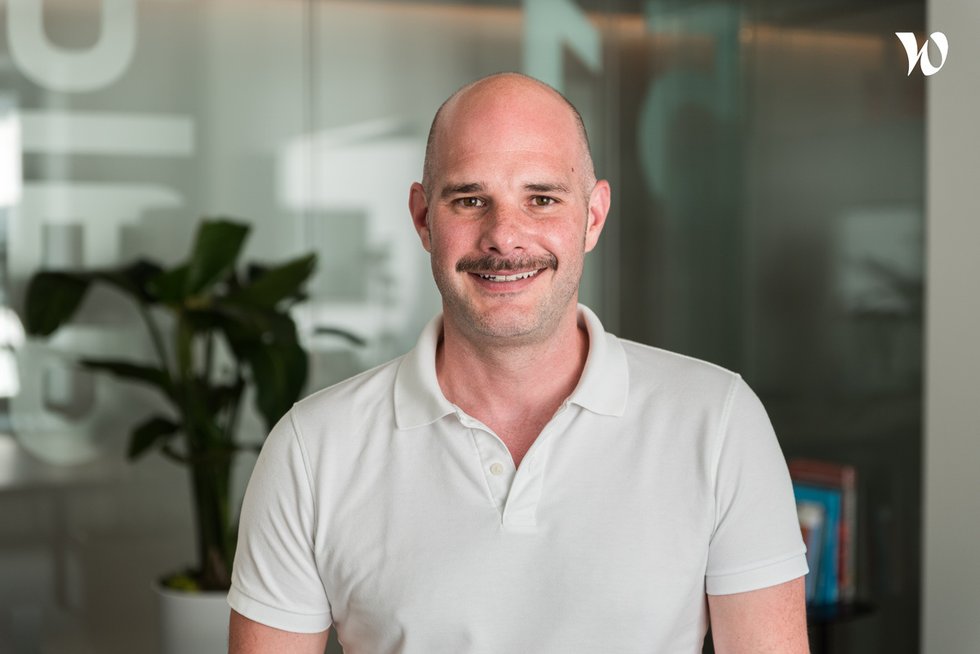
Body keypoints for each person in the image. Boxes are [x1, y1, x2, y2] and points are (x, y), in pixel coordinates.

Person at [227, 72, 810, 653]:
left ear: (593, 216)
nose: (504, 237)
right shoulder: (312, 449)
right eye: (470, 200)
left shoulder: (719, 421)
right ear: (423, 218)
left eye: (542, 199)